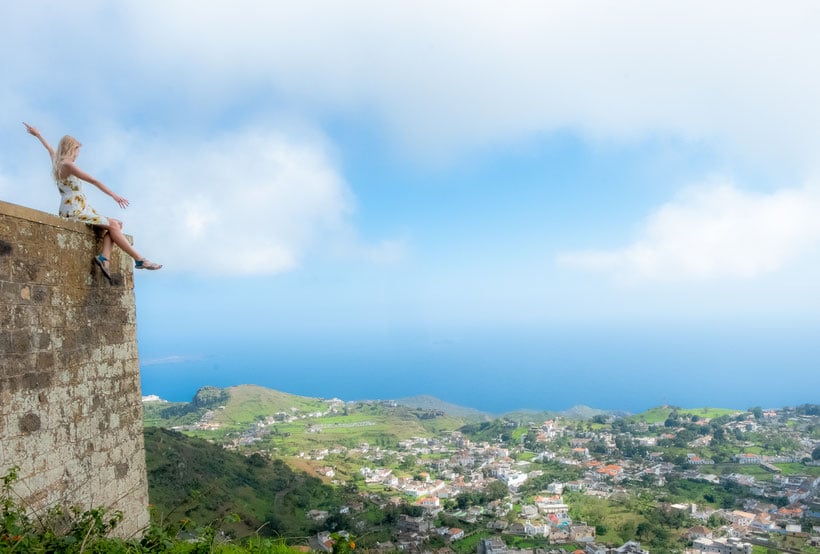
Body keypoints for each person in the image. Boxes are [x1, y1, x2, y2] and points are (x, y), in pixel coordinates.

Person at [23, 122, 161, 281]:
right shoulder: (68, 165)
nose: (78, 155)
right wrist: (114, 195)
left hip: (71, 207)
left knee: (117, 224)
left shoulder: (56, 162)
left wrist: (38, 135)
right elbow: (94, 180)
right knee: (114, 225)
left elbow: (48, 148)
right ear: (72, 149)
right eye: (77, 150)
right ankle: (139, 259)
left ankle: (104, 258)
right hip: (75, 209)